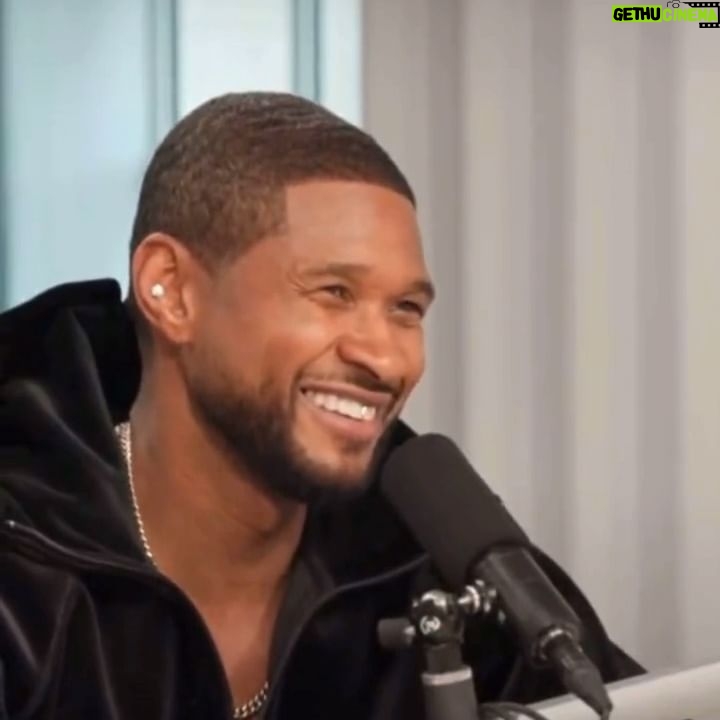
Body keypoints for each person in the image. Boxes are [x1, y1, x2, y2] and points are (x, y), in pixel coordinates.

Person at [0, 92, 642, 720]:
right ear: (172, 291)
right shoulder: (24, 566)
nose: (385, 359)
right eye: (334, 292)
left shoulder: (428, 561)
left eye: (406, 309)